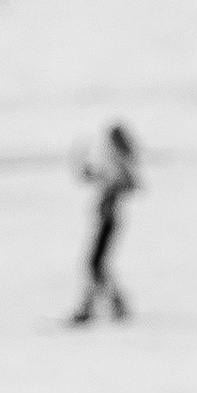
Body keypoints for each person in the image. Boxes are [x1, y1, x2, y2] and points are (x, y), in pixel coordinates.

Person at [71, 123, 139, 325]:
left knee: (94, 264)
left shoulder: (119, 163)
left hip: (108, 220)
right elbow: (91, 176)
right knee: (96, 265)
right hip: (107, 219)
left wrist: (111, 187)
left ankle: (93, 308)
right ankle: (110, 306)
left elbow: (129, 184)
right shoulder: (117, 162)